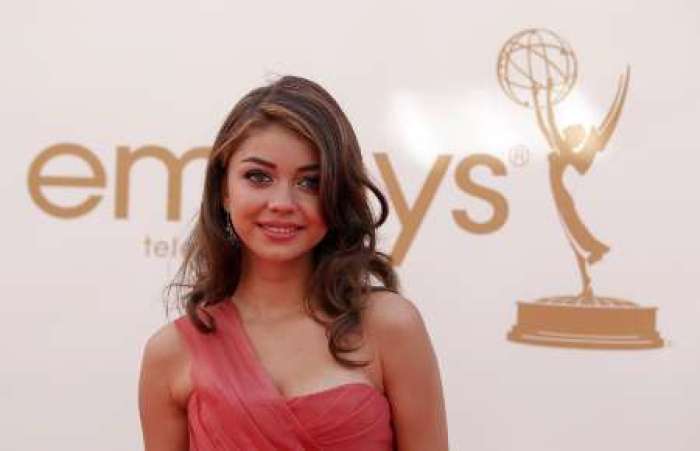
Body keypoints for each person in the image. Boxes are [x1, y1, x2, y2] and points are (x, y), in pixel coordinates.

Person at [138, 75, 448, 450]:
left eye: (310, 182)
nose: (283, 202)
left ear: (337, 193)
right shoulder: (170, 354)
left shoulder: (390, 327)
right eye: (258, 177)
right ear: (223, 189)